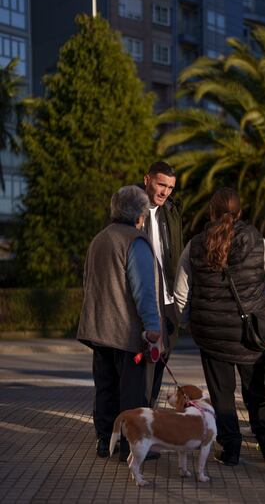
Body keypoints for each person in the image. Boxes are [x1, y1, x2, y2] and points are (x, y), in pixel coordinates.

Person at [174, 187, 265, 466]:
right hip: (251, 335)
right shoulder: (256, 241)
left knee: (222, 395)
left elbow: (180, 294)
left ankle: (231, 450)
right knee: (258, 391)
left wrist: (190, 322)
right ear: (240, 213)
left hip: (211, 336)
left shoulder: (195, 244)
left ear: (211, 212)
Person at [77, 186, 162, 462]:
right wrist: (152, 326)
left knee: (105, 388)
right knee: (131, 392)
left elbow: (87, 282)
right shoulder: (135, 242)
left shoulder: (98, 239)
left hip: (98, 329)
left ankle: (105, 441)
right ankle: (132, 445)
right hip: (125, 332)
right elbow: (144, 291)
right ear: (139, 214)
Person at [141, 161, 184, 405]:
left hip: (168, 302)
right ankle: (135, 415)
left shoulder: (172, 213)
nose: (165, 192)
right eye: (160, 184)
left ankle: (148, 411)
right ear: (147, 180)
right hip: (142, 301)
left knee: (161, 361)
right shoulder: (129, 208)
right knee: (139, 364)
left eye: (170, 187)